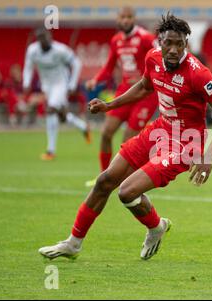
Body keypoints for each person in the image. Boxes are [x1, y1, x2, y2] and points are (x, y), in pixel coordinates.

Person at [38, 13, 212, 261]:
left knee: (126, 192)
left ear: (186, 43)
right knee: (104, 181)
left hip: (186, 143)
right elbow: (144, 87)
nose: (174, 50)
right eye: (168, 44)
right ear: (159, 43)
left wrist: (208, 156)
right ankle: (73, 244)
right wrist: (110, 106)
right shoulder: (153, 58)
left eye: (179, 44)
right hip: (160, 130)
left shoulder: (198, 74)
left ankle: (155, 227)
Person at [84, 6, 159, 186]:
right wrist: (96, 80)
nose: (125, 20)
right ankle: (104, 176)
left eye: (129, 17)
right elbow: (109, 67)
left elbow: (160, 57)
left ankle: (124, 180)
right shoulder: (116, 40)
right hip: (124, 91)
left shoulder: (146, 38)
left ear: (134, 18)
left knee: (128, 141)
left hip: (145, 94)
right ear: (118, 19)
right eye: (122, 17)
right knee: (106, 133)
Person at [23, 28, 91, 161]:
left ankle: (50, 150)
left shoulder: (60, 50)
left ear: (50, 38)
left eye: (46, 37)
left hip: (60, 84)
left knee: (50, 110)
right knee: (62, 116)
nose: (44, 41)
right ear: (38, 40)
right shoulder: (33, 50)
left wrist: (72, 84)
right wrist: (26, 82)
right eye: (41, 38)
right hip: (47, 86)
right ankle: (83, 127)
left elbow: (76, 63)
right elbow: (28, 66)